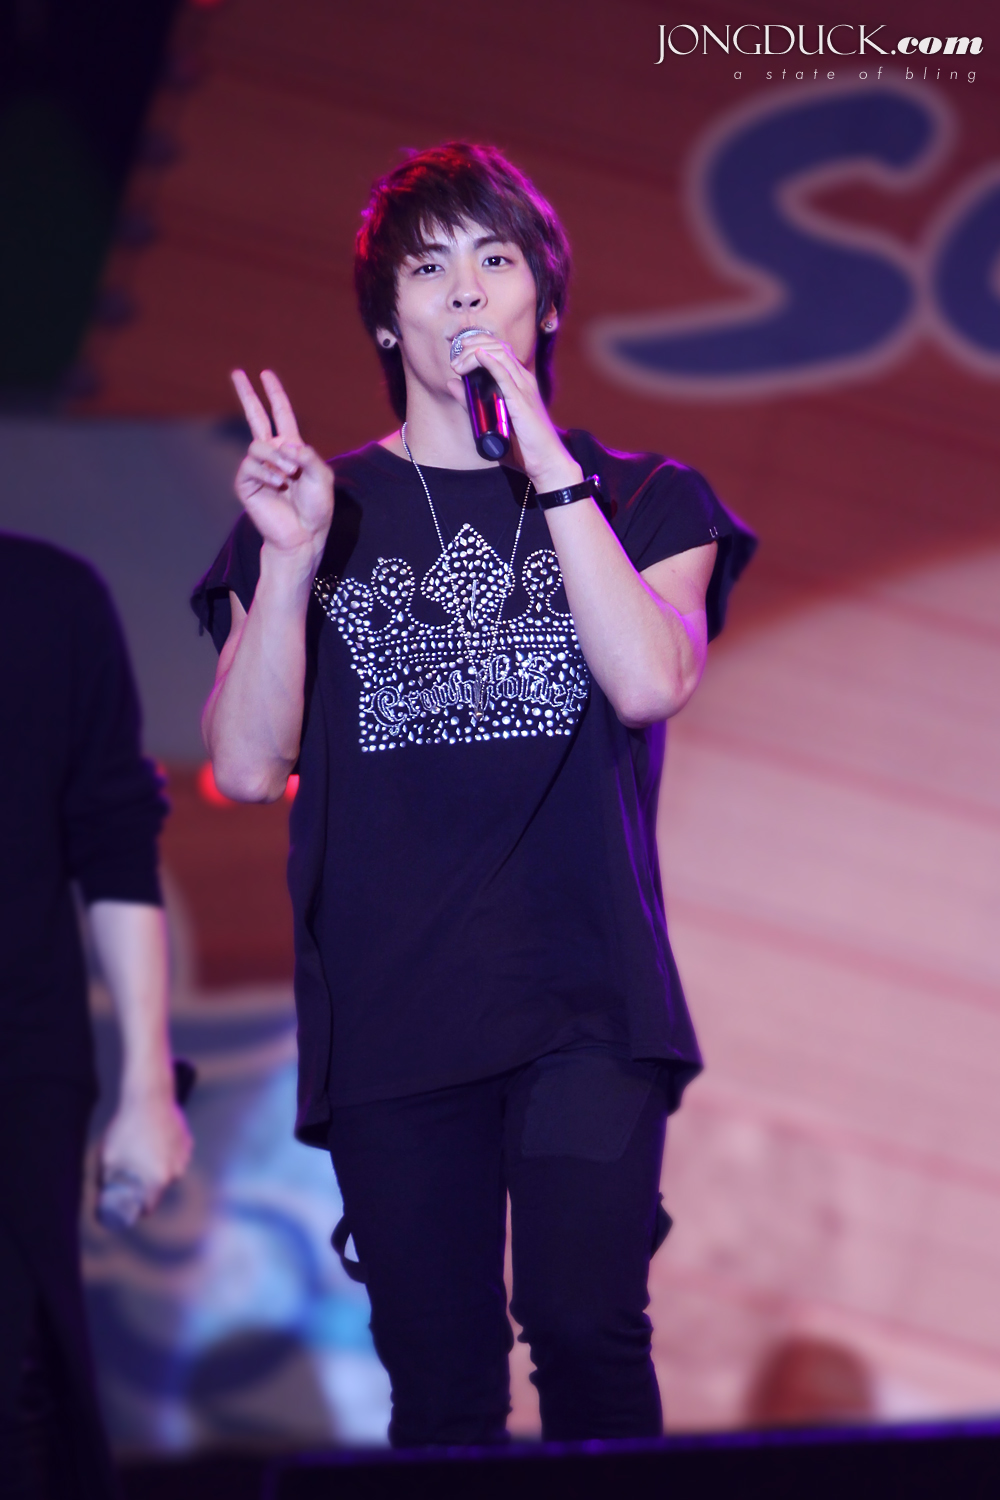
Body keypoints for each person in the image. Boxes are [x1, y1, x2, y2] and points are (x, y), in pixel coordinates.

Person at [193, 141, 755, 1447]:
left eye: (493, 262)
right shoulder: (318, 506)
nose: (460, 292)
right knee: (442, 1381)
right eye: (425, 269)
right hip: (393, 1013)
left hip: (585, 1003)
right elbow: (245, 765)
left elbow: (648, 682)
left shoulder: (648, 498)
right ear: (387, 319)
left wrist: (547, 460)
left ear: (544, 304)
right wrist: (289, 564)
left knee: (584, 1327)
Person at [0, 535, 193, 1497]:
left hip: (18, 1054)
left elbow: (114, 840)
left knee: (16, 1386)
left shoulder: (46, 599)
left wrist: (149, 1088)